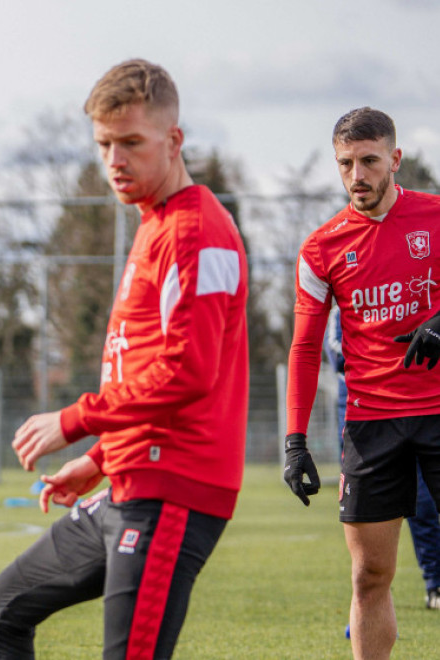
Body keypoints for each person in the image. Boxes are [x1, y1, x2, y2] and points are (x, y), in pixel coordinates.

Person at [0, 59, 249, 660]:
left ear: (174, 140)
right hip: (126, 480)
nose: (115, 161)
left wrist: (75, 422)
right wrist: (99, 460)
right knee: (3, 608)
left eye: (131, 143)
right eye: (104, 144)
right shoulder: (154, 226)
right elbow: (146, 368)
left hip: (172, 490)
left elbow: (187, 372)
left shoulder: (197, 234)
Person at [283, 106, 440, 659]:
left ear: (394, 159)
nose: (358, 175)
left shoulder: (436, 218)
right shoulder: (321, 248)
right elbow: (304, 347)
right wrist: (295, 441)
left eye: (369, 161)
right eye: (346, 163)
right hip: (371, 426)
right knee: (370, 575)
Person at [326, 308, 440, 612]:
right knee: (362, 524)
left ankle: (434, 582)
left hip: (417, 408)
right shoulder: (342, 303)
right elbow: (334, 352)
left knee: (424, 504)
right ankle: (365, 598)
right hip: (362, 420)